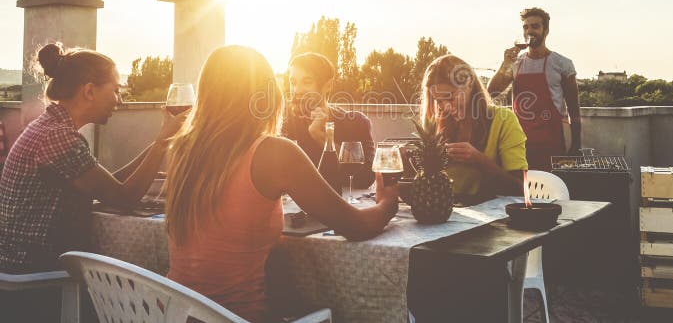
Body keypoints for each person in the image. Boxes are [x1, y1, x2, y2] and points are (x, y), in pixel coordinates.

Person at [165, 46, 398, 322]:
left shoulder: (181, 150)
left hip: (171, 315)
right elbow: (356, 226)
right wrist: (388, 203)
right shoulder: (273, 152)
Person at [0, 43, 183, 274]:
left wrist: (161, 141)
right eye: (115, 90)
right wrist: (160, 146)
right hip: (36, 276)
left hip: (18, 267)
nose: (120, 100)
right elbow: (124, 198)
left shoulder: (52, 127)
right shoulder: (58, 138)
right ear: (89, 91)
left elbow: (107, 186)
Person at [420, 55, 526, 203]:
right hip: (446, 214)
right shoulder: (435, 124)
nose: (446, 108)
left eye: (450, 97)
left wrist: (479, 160)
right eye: (438, 101)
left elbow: (520, 189)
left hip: (492, 218)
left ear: (469, 83)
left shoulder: (503, 120)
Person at [488, 7, 582, 170]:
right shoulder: (515, 63)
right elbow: (492, 91)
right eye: (526, 27)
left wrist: (576, 146)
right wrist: (505, 64)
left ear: (546, 30)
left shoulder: (562, 64)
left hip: (552, 143)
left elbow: (574, 110)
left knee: (551, 189)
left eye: (535, 27)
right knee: (521, 191)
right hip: (518, 142)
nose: (529, 31)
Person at [281, 52, 375, 189]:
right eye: (293, 82)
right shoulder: (282, 124)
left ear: (328, 86)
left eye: (307, 82)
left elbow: (365, 179)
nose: (297, 90)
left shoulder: (356, 123)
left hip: (345, 207)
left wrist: (320, 136)